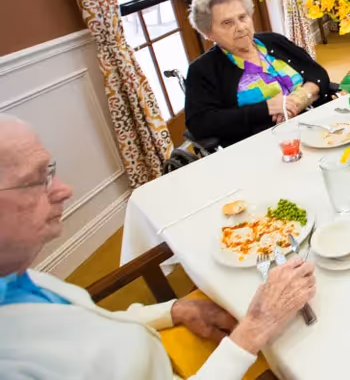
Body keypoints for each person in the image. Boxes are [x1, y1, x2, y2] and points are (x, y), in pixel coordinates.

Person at [0, 116, 317, 379]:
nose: (65, 190)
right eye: (35, 180)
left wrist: (172, 310)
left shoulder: (16, 276)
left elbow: (86, 325)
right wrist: (251, 333)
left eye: (50, 172)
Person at [184, 0, 332, 147]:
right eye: (227, 23)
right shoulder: (203, 70)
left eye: (243, 17)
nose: (241, 27)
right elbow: (200, 123)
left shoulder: (274, 41)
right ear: (208, 33)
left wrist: (301, 97)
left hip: (317, 127)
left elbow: (318, 74)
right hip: (262, 146)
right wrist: (267, 108)